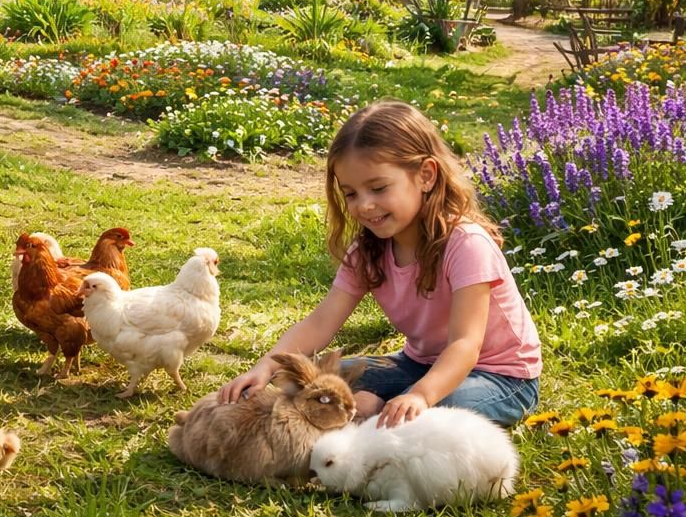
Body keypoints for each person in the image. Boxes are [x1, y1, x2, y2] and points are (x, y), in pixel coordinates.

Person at [217, 99, 540, 427]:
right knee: (315, 378)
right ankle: (373, 405)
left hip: (501, 378)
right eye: (351, 193)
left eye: (378, 188)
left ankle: (377, 407)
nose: (365, 205)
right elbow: (321, 321)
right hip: (418, 364)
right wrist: (265, 367)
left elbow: (465, 344)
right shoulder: (369, 251)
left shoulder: (466, 244)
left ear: (426, 175)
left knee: (435, 412)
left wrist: (420, 395)